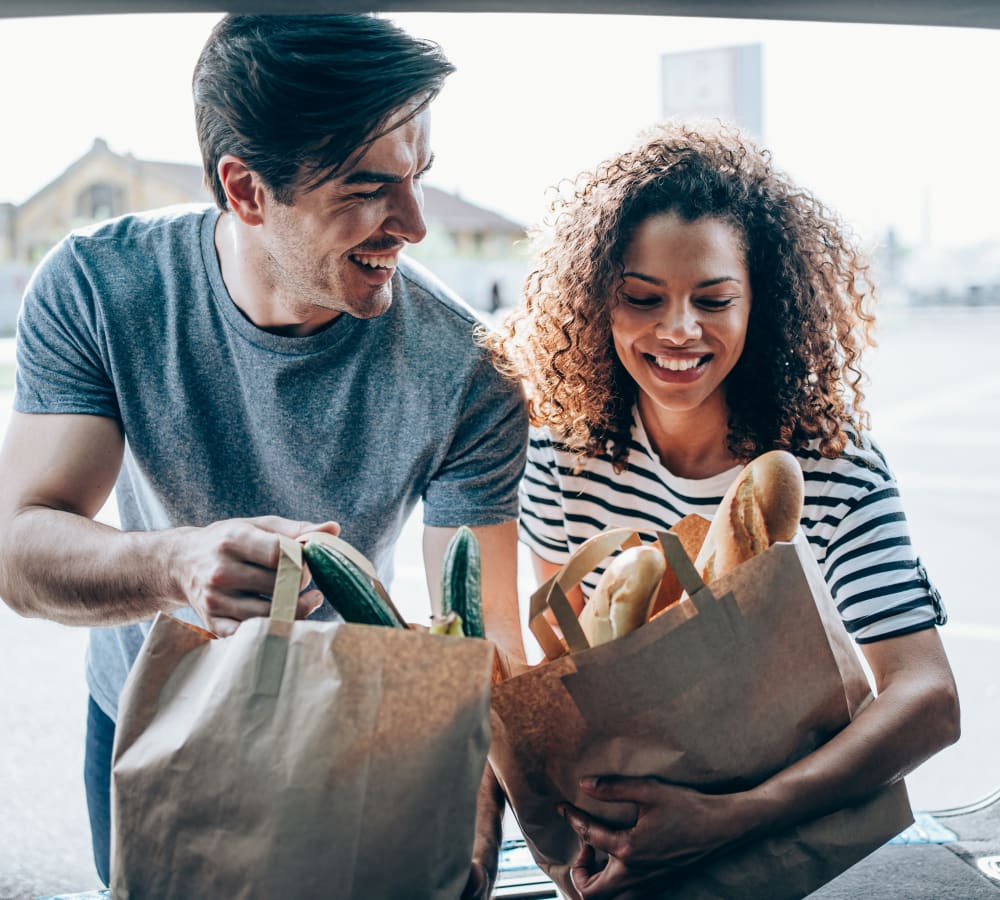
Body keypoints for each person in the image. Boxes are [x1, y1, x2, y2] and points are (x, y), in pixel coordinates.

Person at [0, 14, 527, 895]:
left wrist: (468, 843)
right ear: (245, 189)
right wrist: (176, 563)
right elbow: (16, 550)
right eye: (367, 188)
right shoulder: (99, 286)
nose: (415, 224)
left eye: (419, 177)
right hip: (145, 712)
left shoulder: (470, 371)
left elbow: (481, 645)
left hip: (350, 730)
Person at [486, 120, 960, 898]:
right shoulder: (561, 463)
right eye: (643, 298)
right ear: (598, 304)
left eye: (713, 299)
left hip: (796, 844)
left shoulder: (832, 468)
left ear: (759, 305)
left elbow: (929, 700)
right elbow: (572, 682)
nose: (678, 330)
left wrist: (736, 814)